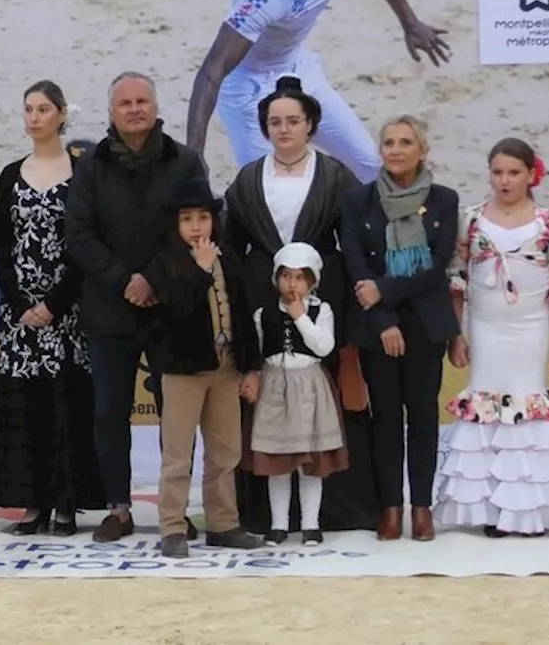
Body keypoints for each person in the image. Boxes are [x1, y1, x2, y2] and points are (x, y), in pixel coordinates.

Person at [223, 74, 378, 535]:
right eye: (275, 122)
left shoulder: (334, 176)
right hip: (261, 307)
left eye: (293, 121)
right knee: (265, 404)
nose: (284, 129)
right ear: (265, 128)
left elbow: (353, 243)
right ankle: (263, 515)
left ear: (311, 125)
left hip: (323, 301)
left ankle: (330, 514)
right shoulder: (249, 178)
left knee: (325, 404)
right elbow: (233, 249)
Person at [64, 70, 208, 543]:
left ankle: (174, 509)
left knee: (176, 414)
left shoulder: (185, 162)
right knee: (109, 410)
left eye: (142, 100)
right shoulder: (90, 165)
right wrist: (125, 280)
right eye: (124, 102)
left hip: (173, 308)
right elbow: (79, 234)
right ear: (111, 112)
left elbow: (194, 230)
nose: (134, 109)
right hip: (110, 309)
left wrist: (154, 279)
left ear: (156, 104)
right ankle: (118, 508)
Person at [187, 0, 450, 180]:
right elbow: (213, 69)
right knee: (268, 190)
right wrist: (194, 153)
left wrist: (410, 22)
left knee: (373, 167)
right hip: (248, 88)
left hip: (296, 68)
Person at [436, 138, 549, 537]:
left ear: (530, 175)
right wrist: (456, 335)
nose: (504, 180)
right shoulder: (471, 219)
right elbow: (458, 282)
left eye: (514, 172)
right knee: (486, 401)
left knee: (525, 403)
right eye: (498, 172)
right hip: (485, 329)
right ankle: (490, 509)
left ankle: (527, 510)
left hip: (530, 329)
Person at [0, 80, 104, 535]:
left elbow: (85, 245)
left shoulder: (81, 172)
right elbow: (1, 244)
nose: (34, 117)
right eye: (28, 109)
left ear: (61, 115)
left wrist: (54, 303)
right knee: (26, 407)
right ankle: (32, 504)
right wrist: (19, 303)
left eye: (43, 109)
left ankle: (67, 504)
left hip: (67, 312)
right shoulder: (11, 174)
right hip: (21, 317)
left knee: (66, 405)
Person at [340, 113, 459, 542]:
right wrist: (385, 321)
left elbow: (435, 265)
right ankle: (390, 506)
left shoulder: (444, 199)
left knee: (423, 417)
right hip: (378, 327)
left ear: (422, 150)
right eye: (388, 142)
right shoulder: (359, 201)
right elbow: (357, 265)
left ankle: (422, 507)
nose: (395, 149)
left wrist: (385, 291)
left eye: (405, 142)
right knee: (385, 419)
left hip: (427, 324)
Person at [143, 175, 264, 558]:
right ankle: (173, 527)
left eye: (203, 217)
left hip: (226, 366)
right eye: (186, 219)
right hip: (183, 369)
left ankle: (223, 523)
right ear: (174, 225)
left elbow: (243, 316)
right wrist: (199, 269)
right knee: (178, 453)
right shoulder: (164, 264)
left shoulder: (227, 260)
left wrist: (251, 368)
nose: (196, 226)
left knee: (226, 451)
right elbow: (178, 308)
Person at [249, 242, 349, 546]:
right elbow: (258, 349)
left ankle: (310, 524)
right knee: (277, 460)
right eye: (286, 276)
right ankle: (278, 525)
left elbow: (324, 346)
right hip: (275, 387)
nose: (292, 284)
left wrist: (300, 317)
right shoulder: (262, 313)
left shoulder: (322, 310)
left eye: (300, 277)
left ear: (312, 281)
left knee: (310, 462)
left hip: (309, 386)